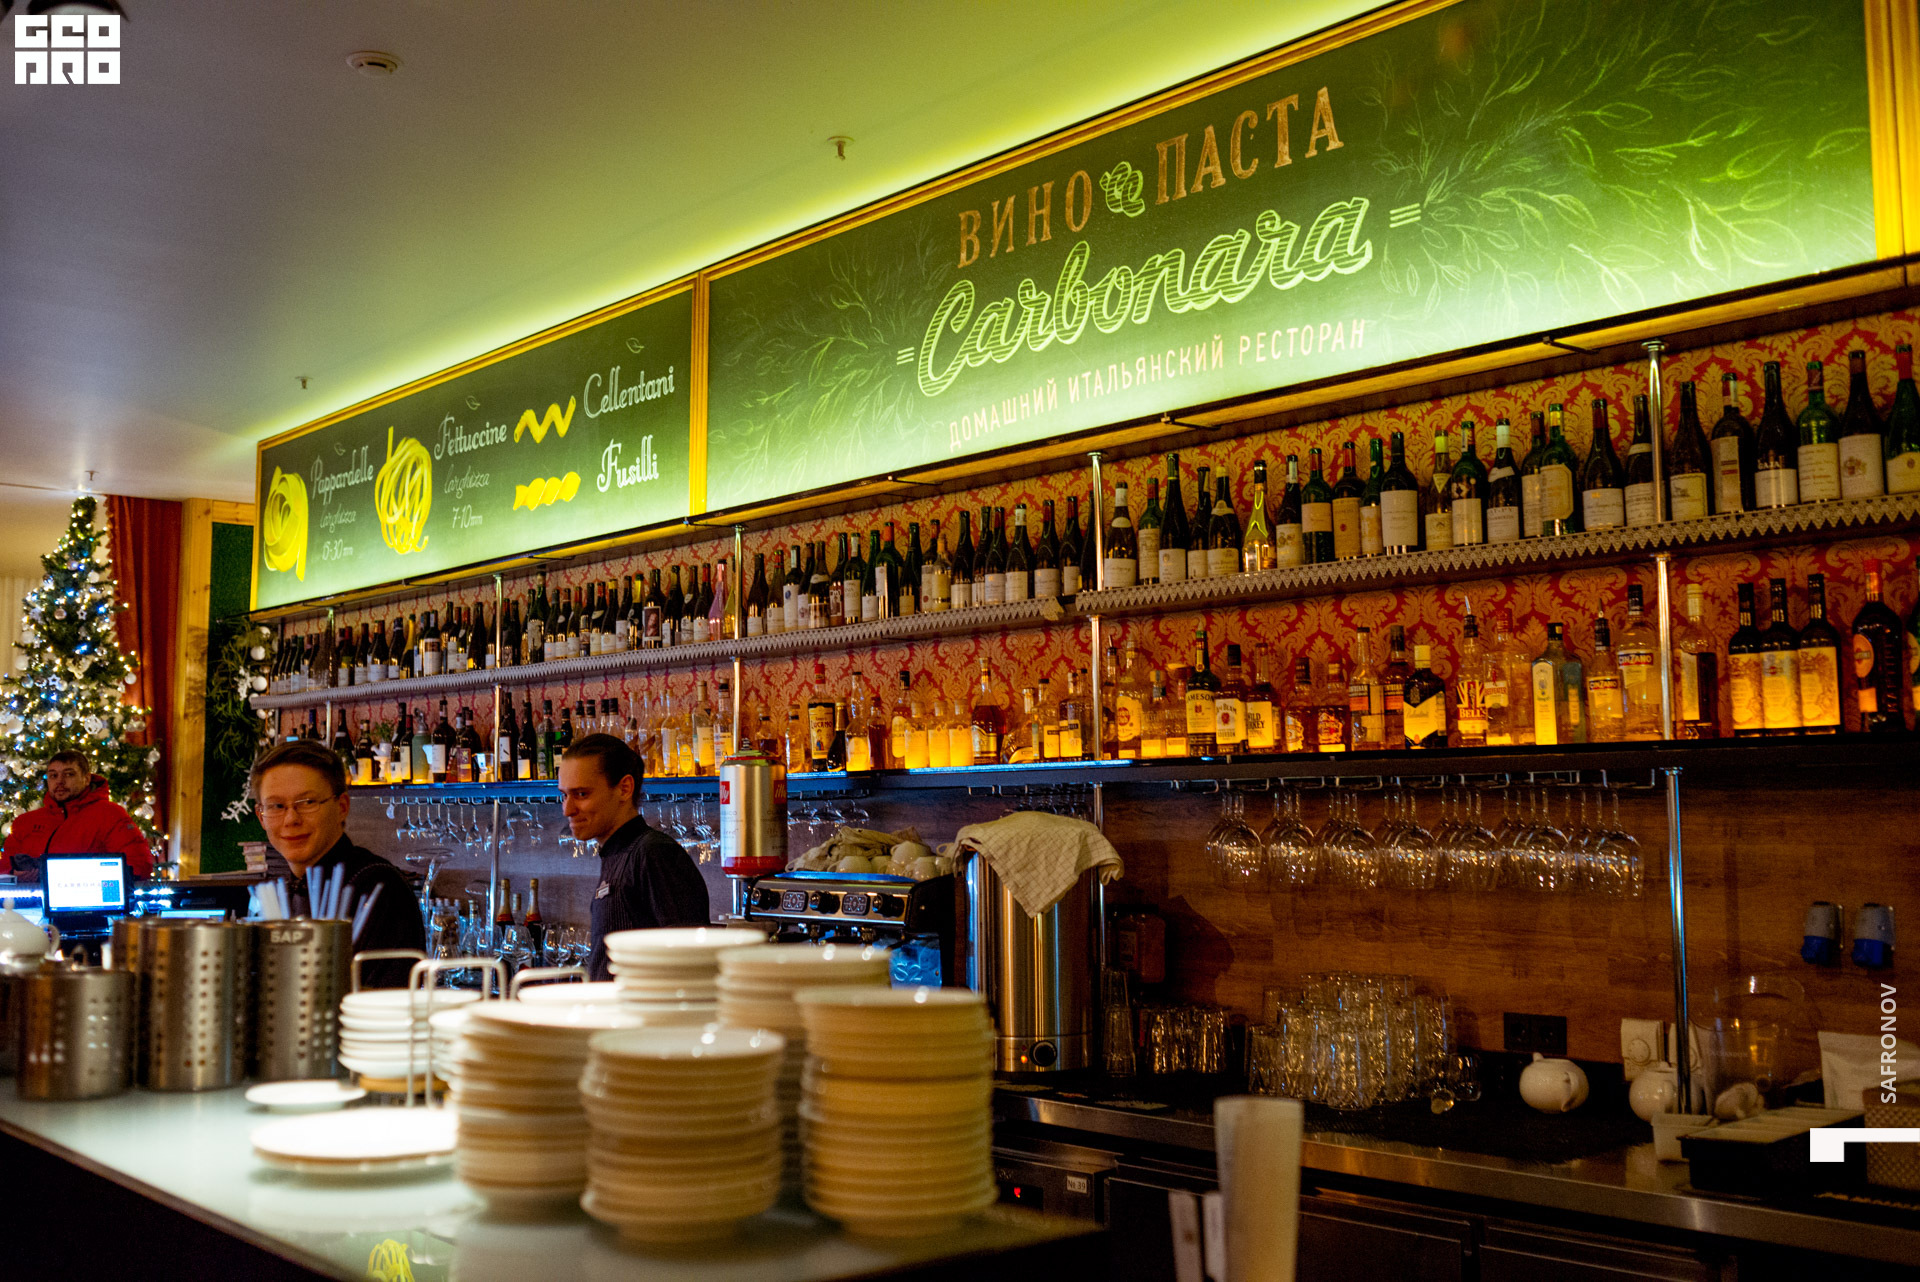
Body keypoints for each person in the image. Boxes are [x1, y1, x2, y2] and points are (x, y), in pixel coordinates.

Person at [251, 739, 424, 987]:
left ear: (342, 807)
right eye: (277, 806)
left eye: (307, 803)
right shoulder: (282, 891)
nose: (291, 819)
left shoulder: (378, 888)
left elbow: (389, 1001)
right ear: (261, 817)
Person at [559, 733, 709, 981]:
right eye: (564, 795)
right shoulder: (617, 853)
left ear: (624, 788)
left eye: (582, 794)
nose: (567, 809)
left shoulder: (654, 853)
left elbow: (691, 965)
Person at [1, 749, 153, 880]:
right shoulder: (25, 821)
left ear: (86, 779)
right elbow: (5, 866)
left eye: (69, 774)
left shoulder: (110, 814)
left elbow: (139, 866)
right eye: (53, 776)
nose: (60, 781)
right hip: (29, 903)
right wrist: (13, 874)